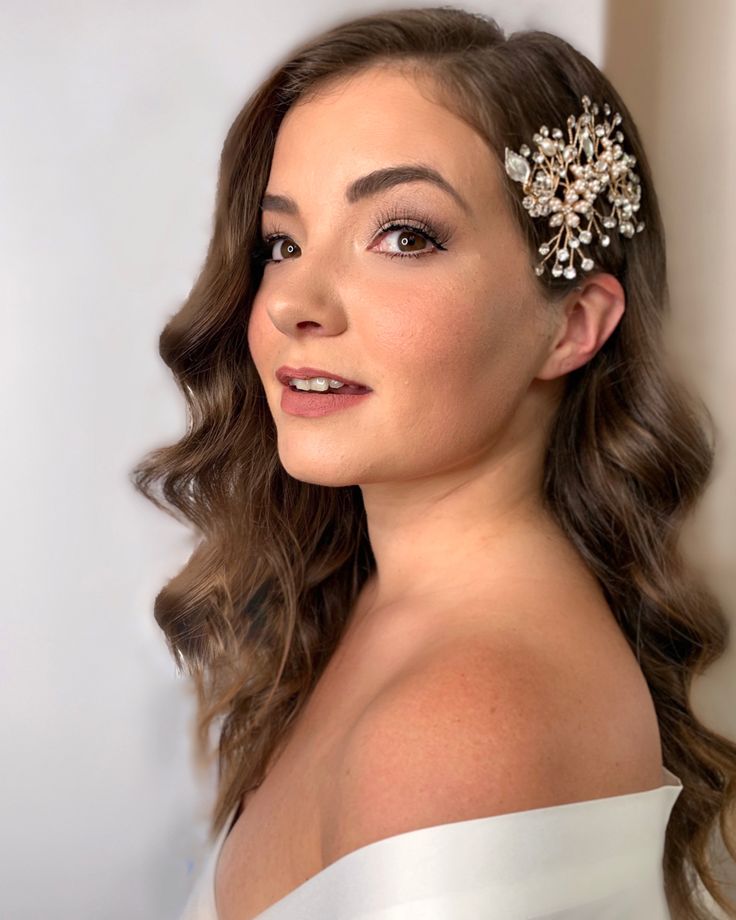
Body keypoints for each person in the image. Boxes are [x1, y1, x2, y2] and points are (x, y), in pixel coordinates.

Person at [130, 7, 736, 919]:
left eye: (405, 235)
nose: (295, 299)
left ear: (572, 325)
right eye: (283, 243)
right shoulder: (370, 610)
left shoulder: (467, 721)